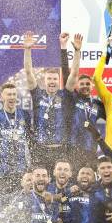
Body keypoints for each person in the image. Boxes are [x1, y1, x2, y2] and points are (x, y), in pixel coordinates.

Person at [24, 32, 72, 171]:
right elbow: (28, 72)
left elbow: (69, 74)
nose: (52, 81)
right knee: (39, 181)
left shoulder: (65, 95)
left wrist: (63, 47)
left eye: (54, 79)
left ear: (58, 81)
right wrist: (27, 50)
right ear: (44, 81)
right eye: (49, 79)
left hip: (60, 150)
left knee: (59, 183)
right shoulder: (38, 94)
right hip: (39, 150)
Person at [63, 34, 106, 169]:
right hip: (72, 151)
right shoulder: (72, 98)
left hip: (91, 151)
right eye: (82, 84)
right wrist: (76, 51)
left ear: (92, 86)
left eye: (88, 84)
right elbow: (68, 74)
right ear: (77, 86)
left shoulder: (98, 104)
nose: (85, 86)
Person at [0, 82, 32, 193]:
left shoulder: (25, 115)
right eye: (8, 94)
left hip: (21, 167)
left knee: (20, 198)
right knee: (3, 198)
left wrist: (31, 162)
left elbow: (31, 140)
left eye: (14, 94)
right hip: (1, 167)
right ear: (2, 96)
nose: (12, 97)